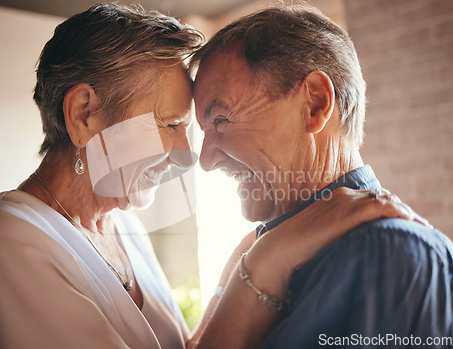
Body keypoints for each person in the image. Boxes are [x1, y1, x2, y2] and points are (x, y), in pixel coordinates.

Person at [0, 3, 431, 349]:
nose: (189, 156)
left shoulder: (126, 230)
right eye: (170, 124)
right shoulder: (0, 243)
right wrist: (263, 263)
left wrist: (246, 255)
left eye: (200, 125)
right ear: (84, 115)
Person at [191, 5, 453, 348]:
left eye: (221, 120)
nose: (206, 161)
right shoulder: (257, 253)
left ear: (315, 103)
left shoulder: (383, 255)